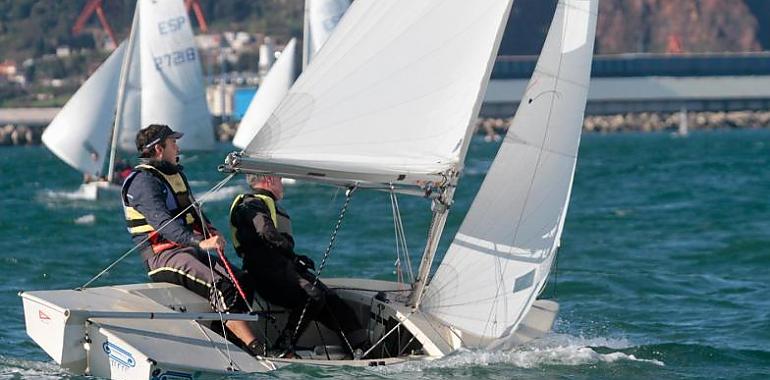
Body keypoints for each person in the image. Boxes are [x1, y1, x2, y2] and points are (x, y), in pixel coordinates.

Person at [120, 124, 262, 356]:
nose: (178, 147)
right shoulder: (142, 182)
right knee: (222, 286)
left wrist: (209, 232)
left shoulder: (175, 175)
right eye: (173, 143)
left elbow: (193, 211)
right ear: (158, 149)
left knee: (244, 282)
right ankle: (254, 348)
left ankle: (225, 345)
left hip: (188, 251)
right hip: (162, 257)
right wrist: (198, 242)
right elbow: (163, 223)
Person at [229, 174, 369, 357]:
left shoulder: (265, 203)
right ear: (269, 180)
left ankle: (363, 349)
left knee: (334, 302)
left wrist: (294, 259)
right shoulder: (251, 204)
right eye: (279, 179)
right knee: (313, 295)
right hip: (264, 272)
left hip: (283, 268)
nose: (282, 184)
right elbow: (266, 232)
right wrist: (292, 255)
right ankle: (284, 347)